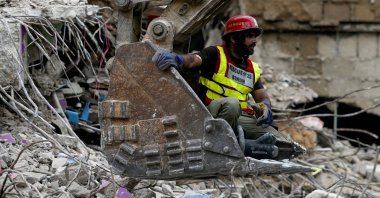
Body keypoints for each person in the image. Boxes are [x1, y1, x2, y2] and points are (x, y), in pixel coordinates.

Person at [152, 15, 290, 159]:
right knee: (232, 104)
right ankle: (225, 145)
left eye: (255, 36)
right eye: (250, 36)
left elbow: (261, 95)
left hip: (239, 118)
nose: (254, 41)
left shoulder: (252, 68)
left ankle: (245, 146)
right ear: (234, 38)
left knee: (278, 140)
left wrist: (266, 106)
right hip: (211, 116)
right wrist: (178, 59)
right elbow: (194, 60)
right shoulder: (216, 54)